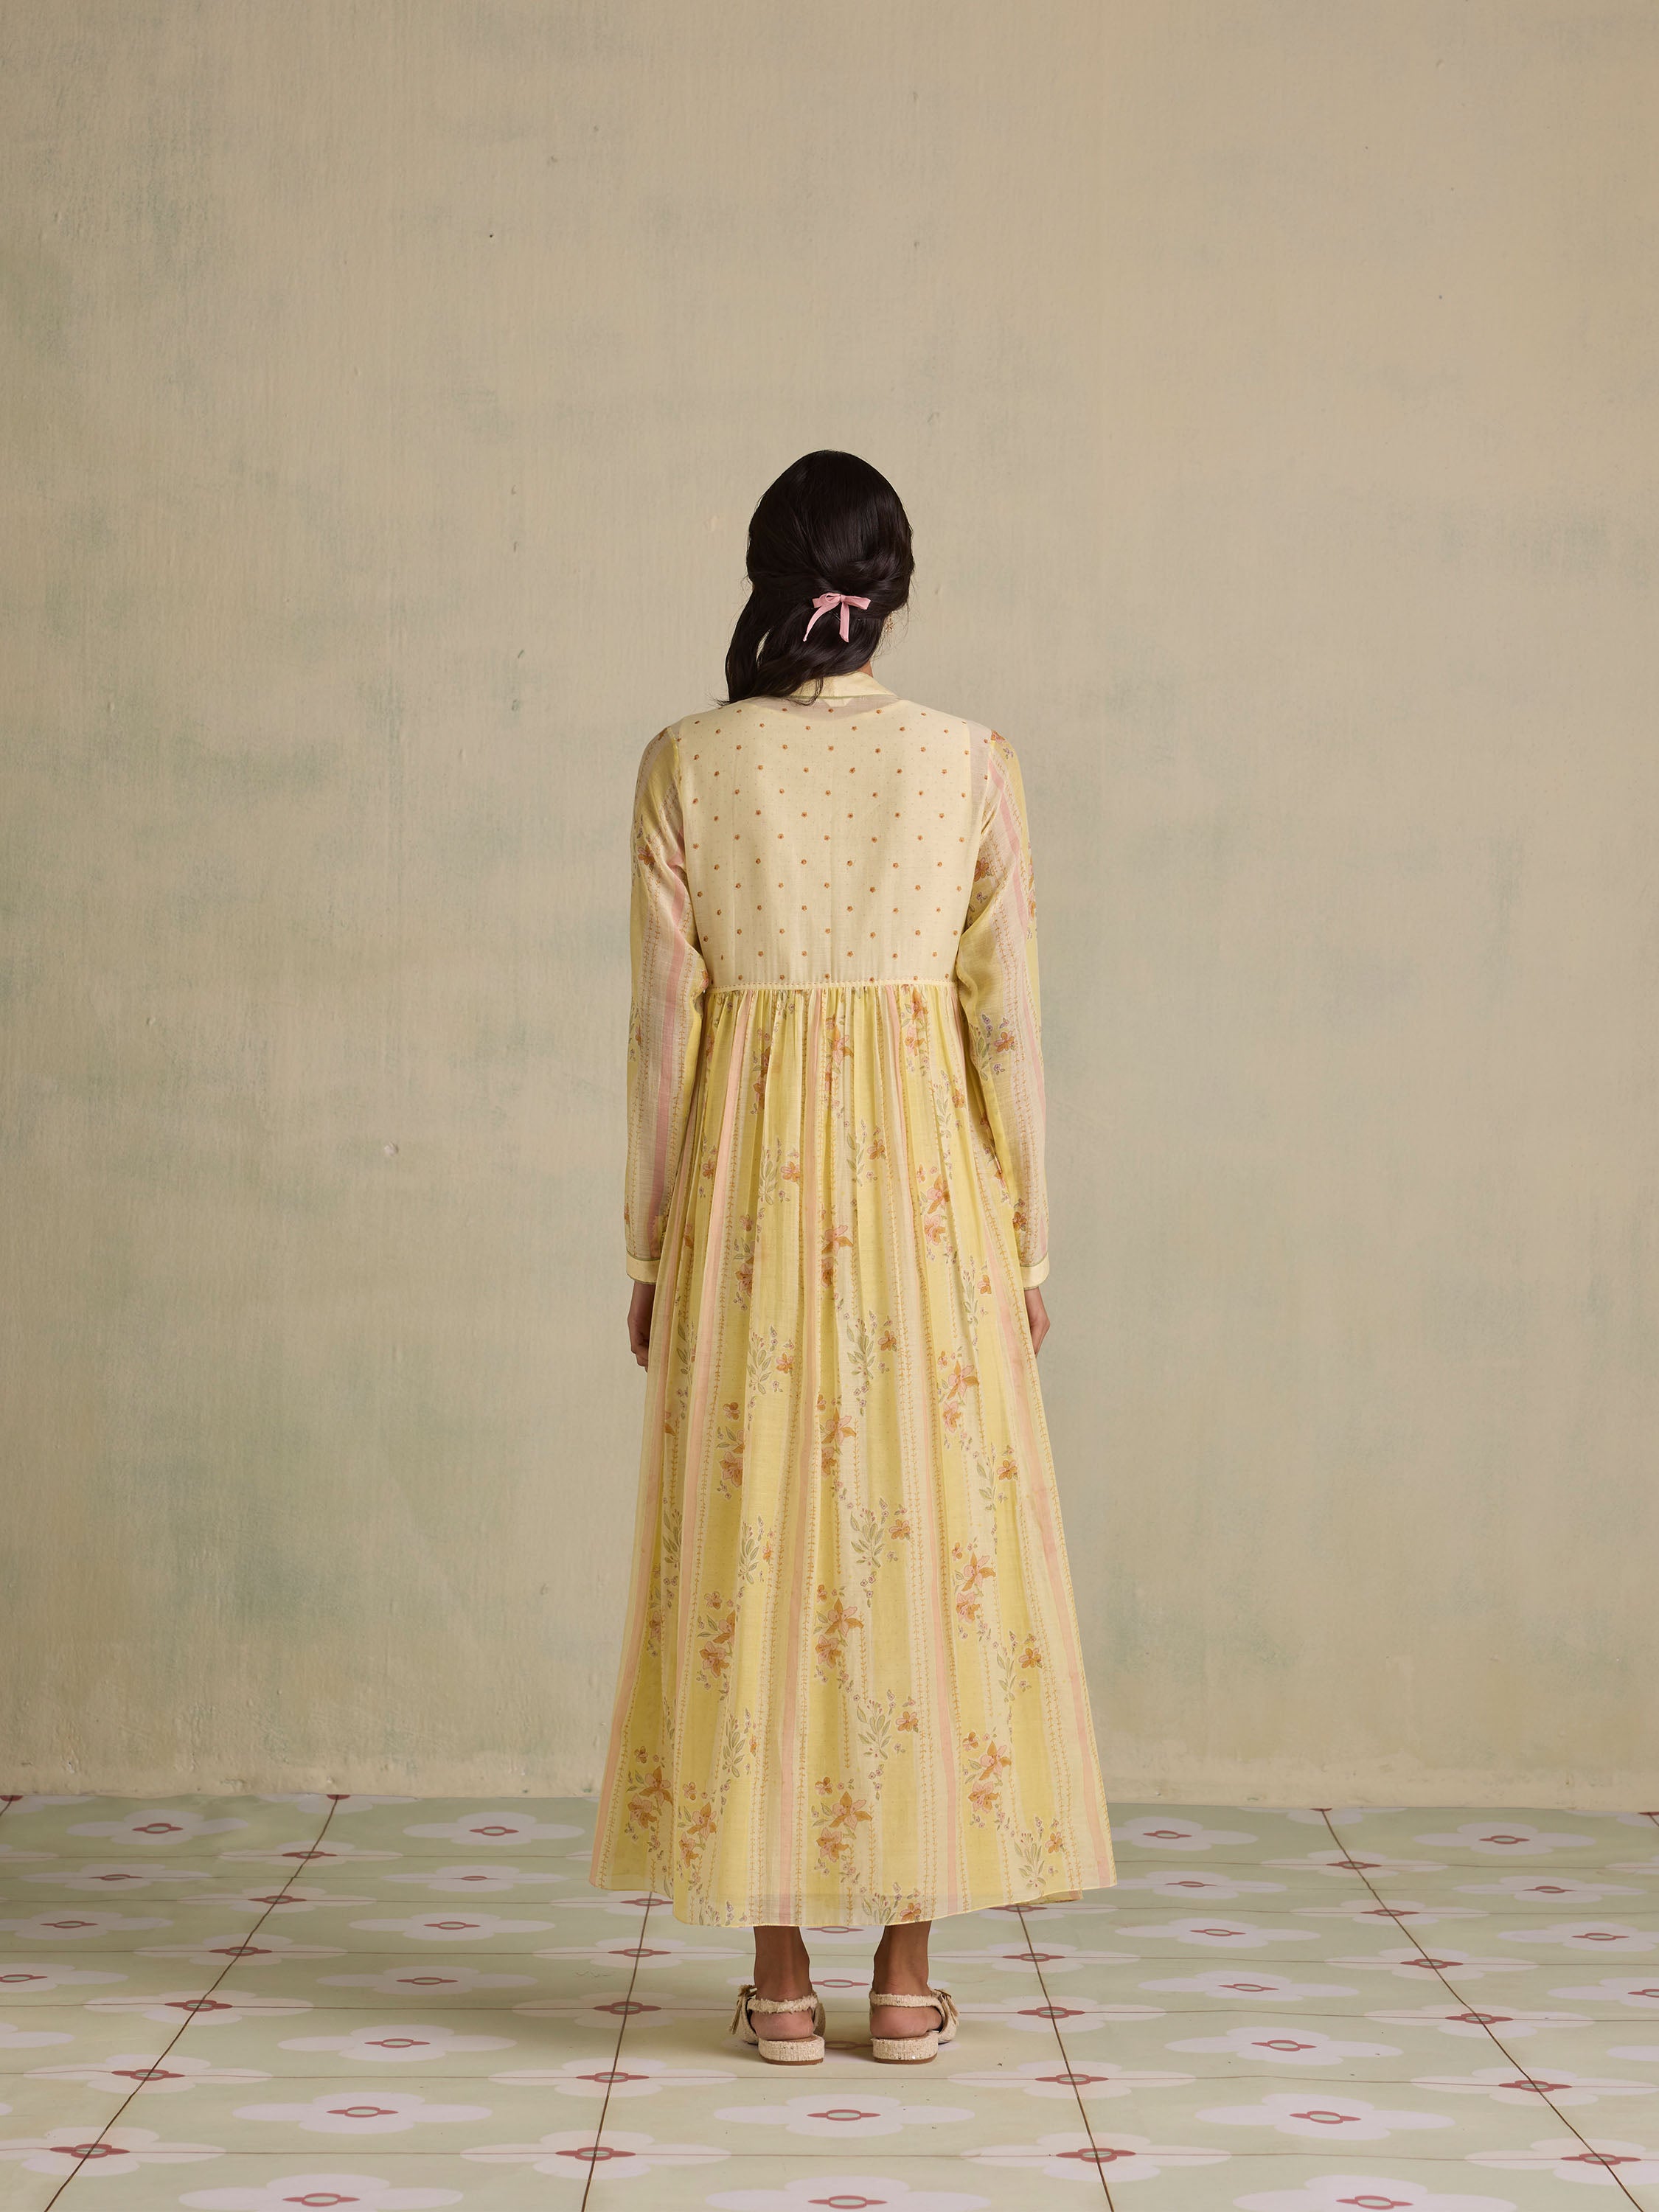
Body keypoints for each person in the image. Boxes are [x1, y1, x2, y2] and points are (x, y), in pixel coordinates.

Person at [589, 450, 1115, 2064]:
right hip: (930, 1202)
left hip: (745, 1197)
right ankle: (902, 1979)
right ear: (892, 591)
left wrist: (655, 1248)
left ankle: (778, 1982)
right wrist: (1025, 1240)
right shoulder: (970, 763)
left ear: (770, 578)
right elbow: (1008, 1023)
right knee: (923, 1543)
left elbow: (662, 1033)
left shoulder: (688, 764)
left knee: (753, 1542)